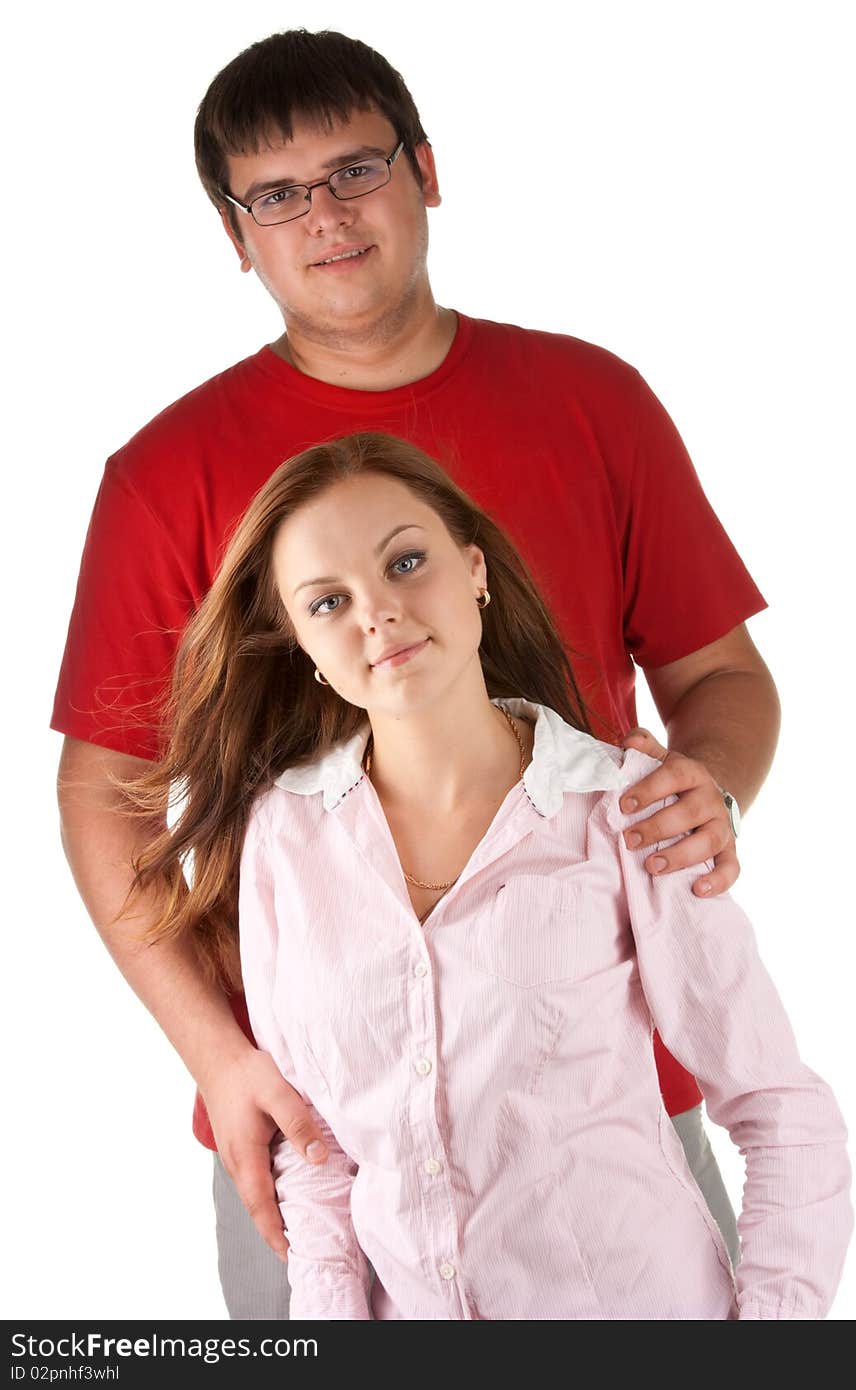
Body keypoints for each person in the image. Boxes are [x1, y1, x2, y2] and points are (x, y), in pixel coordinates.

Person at [52, 29, 781, 1318]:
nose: (322, 217)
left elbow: (719, 673)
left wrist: (707, 786)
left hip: (607, 1089)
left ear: (426, 172)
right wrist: (217, 1058)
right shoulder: (167, 476)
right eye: (273, 195)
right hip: (326, 1122)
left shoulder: (592, 402)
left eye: (353, 170)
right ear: (235, 236)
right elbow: (107, 789)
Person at [117, 432, 851, 1320]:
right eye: (328, 601)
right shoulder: (281, 841)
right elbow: (320, 1158)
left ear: (474, 570)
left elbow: (783, 1112)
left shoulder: (628, 811)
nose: (377, 613)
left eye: (407, 561)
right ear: (305, 647)